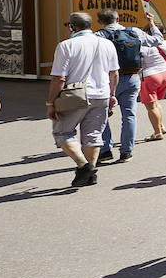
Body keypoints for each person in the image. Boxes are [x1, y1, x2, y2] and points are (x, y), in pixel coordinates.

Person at [46, 12, 119, 188]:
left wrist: (51, 102)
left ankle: (84, 166)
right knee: (93, 135)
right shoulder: (106, 44)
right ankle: (91, 173)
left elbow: (59, 78)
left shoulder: (66, 45)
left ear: (73, 27)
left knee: (62, 132)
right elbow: (114, 73)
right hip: (101, 94)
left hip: (75, 96)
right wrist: (111, 94)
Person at [96, 6, 166, 163]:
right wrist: (152, 24)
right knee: (129, 115)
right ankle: (126, 151)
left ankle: (105, 149)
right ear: (118, 19)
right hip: (133, 77)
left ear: (100, 22)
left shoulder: (99, 36)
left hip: (108, 80)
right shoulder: (134, 31)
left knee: (101, 115)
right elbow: (157, 40)